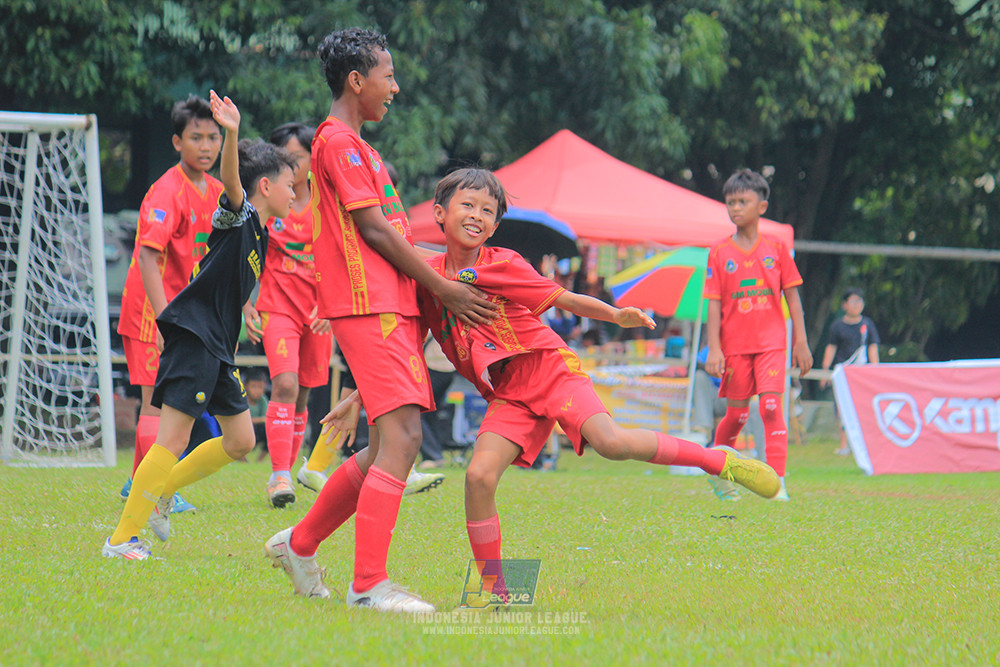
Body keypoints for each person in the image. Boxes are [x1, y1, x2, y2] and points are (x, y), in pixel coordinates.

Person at [323, 168, 781, 606]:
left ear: (496, 225)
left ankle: (718, 460)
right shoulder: (428, 280)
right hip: (508, 392)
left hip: (548, 368)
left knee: (612, 442)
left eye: (488, 211)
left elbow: (562, 299)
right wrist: (357, 399)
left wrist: (615, 314)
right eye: (468, 205)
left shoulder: (503, 264)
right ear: (440, 214)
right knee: (479, 477)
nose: (477, 216)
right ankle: (496, 592)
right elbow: (405, 347)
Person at [264, 28, 496, 614]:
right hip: (368, 307)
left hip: (389, 308)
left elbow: (386, 229)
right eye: (388, 76)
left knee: (381, 449)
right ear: (356, 80)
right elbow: (373, 231)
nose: (395, 87)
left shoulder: (361, 148)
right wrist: (441, 283)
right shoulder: (337, 142)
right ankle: (368, 585)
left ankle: (300, 543)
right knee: (404, 440)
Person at [101, 91, 297, 559]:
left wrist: (247, 307)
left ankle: (163, 492)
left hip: (217, 346)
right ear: (265, 187)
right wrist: (231, 131)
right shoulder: (241, 214)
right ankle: (121, 539)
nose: (296, 193)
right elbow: (233, 181)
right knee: (171, 436)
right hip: (194, 337)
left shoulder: (262, 235)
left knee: (241, 439)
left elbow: (230, 280)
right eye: (292, 185)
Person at [115, 95, 225, 514]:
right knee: (154, 403)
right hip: (151, 311)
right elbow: (147, 256)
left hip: (183, 315)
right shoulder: (166, 191)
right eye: (196, 137)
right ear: (177, 142)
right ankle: (155, 488)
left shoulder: (216, 191)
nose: (206, 146)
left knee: (169, 403)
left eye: (213, 137)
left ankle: (139, 482)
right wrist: (163, 320)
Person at [703, 169, 812, 501]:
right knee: (736, 414)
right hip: (734, 347)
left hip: (771, 345)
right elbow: (712, 304)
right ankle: (718, 474)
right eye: (730, 202)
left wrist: (801, 342)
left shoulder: (777, 249)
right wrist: (714, 349)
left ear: (761, 207)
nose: (735, 208)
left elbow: (793, 297)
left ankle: (777, 482)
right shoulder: (719, 252)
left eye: (743, 201)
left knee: (768, 406)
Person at [240, 122, 334, 508]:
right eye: (286, 159)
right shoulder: (268, 204)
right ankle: (279, 474)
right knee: (286, 385)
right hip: (278, 308)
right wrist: (246, 302)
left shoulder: (329, 203)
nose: (293, 166)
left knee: (304, 394)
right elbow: (245, 251)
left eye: (299, 157)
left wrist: (330, 305)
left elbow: (343, 259)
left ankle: (288, 473)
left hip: (320, 314)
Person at [819, 287, 880, 455]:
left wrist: (876, 370)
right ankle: (844, 444)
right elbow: (831, 348)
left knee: (863, 408)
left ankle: (865, 444)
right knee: (842, 408)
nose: (857, 305)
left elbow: (872, 348)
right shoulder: (837, 326)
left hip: (862, 374)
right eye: (853, 301)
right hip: (843, 373)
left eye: (860, 301)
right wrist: (825, 370)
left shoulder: (867, 324)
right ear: (844, 305)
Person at [691, 346, 765, 455]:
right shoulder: (711, 350)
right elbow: (692, 365)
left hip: (734, 396)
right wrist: (712, 367)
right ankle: (703, 430)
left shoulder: (741, 351)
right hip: (711, 398)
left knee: (757, 409)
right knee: (699, 376)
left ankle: (765, 458)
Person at [244, 368, 269, 456]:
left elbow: (266, 419)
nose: (257, 390)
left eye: (260, 387)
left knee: (270, 432)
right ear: (245, 386)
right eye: (253, 386)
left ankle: (260, 460)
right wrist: (261, 420)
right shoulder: (242, 400)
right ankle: (242, 460)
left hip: (258, 429)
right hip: (244, 429)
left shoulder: (263, 400)